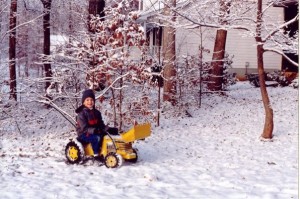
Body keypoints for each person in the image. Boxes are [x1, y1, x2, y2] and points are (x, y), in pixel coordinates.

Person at [75, 89, 106, 156]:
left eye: (91, 100)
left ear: (94, 101)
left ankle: (103, 150)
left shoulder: (97, 113)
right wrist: (94, 130)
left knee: (104, 136)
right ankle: (96, 154)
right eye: (87, 100)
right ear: (83, 102)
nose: (90, 102)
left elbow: (101, 124)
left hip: (94, 132)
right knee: (96, 138)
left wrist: (108, 129)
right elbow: (84, 128)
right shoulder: (81, 114)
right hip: (83, 134)